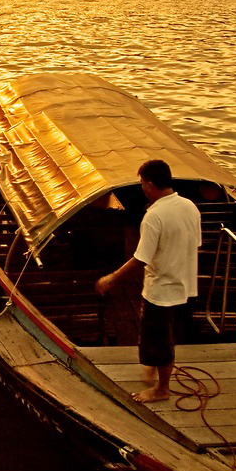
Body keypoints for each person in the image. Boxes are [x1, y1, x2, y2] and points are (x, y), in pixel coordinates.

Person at [95, 159, 201, 403]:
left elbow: (140, 258)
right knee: (166, 335)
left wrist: (112, 278)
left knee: (160, 340)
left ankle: (161, 389)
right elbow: (194, 244)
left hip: (161, 290)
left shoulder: (153, 216)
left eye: (142, 183)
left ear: (151, 185)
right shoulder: (189, 207)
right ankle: (153, 369)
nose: (142, 187)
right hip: (186, 287)